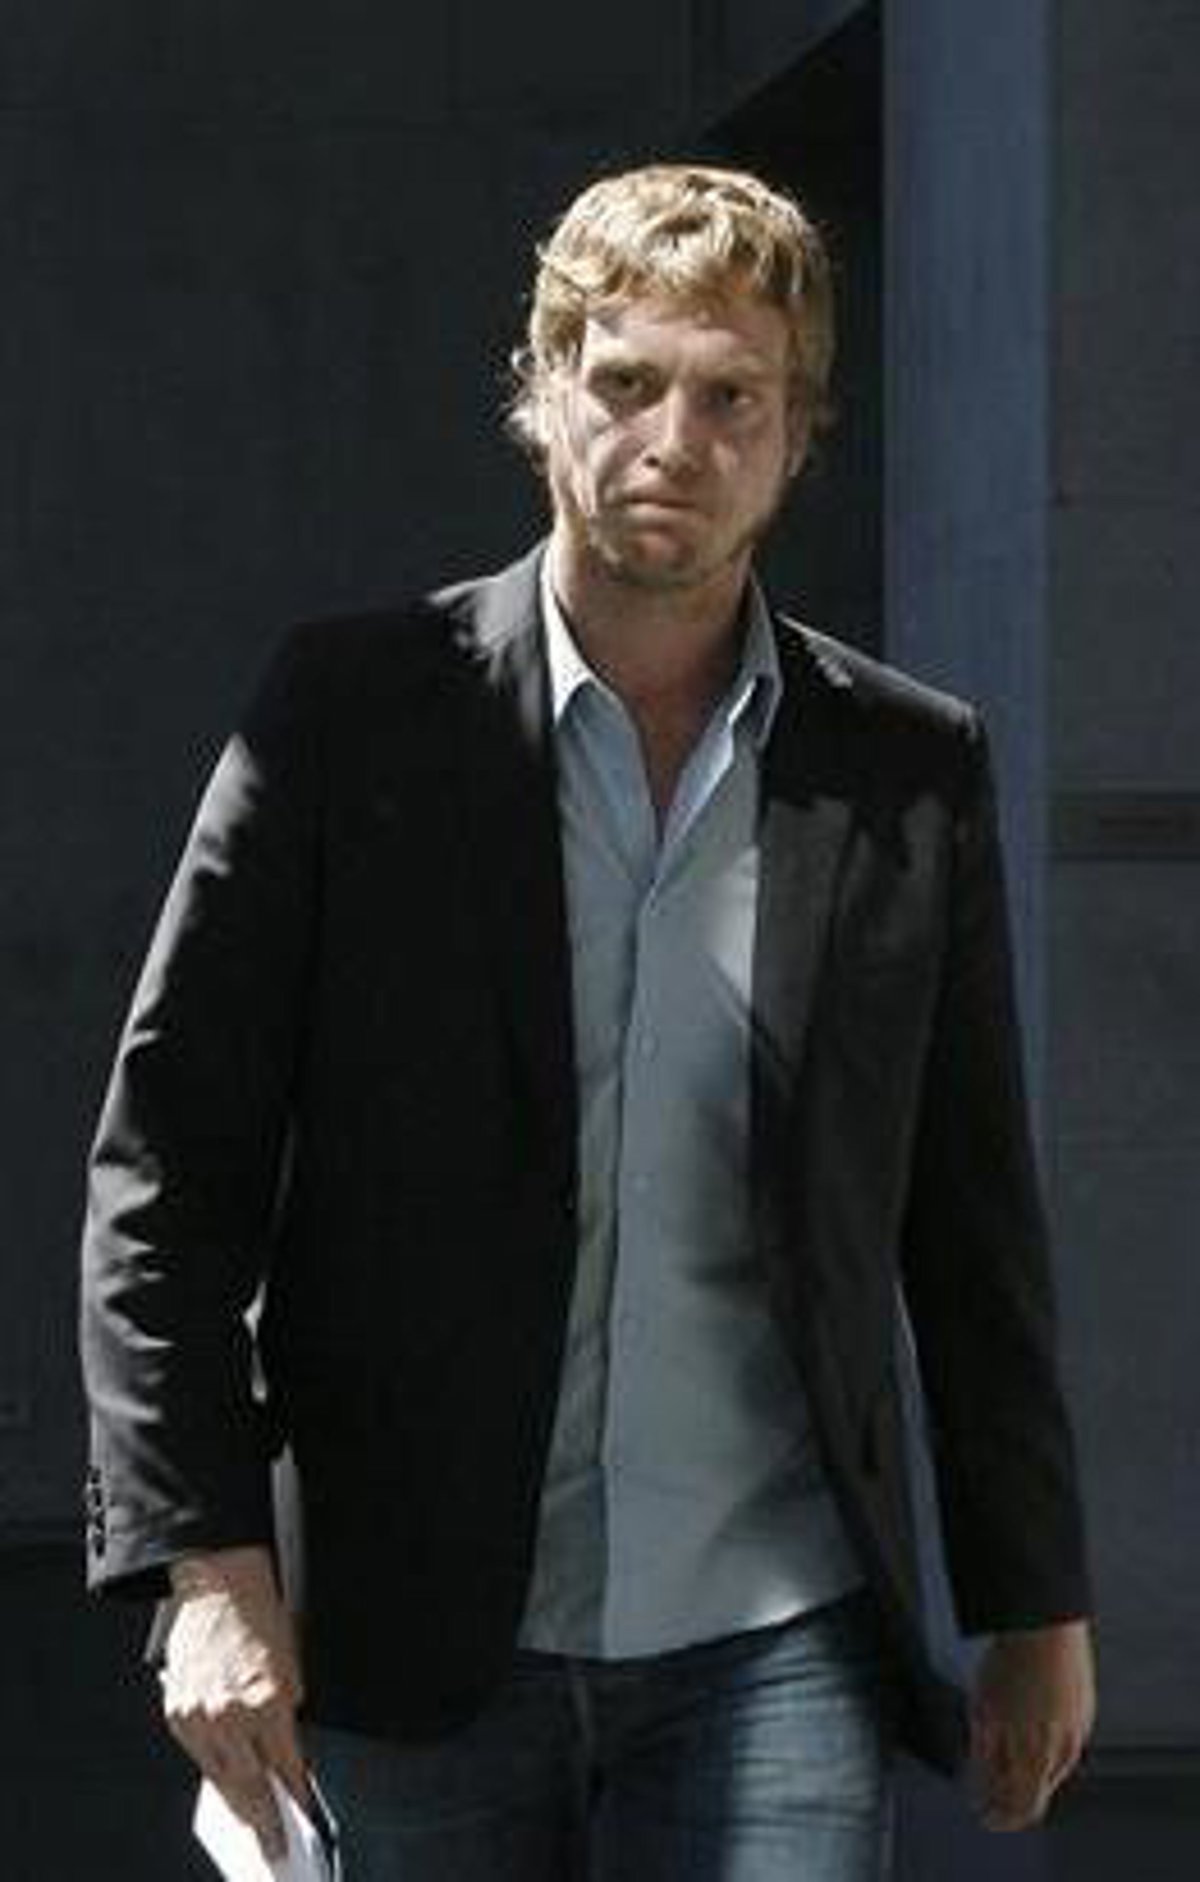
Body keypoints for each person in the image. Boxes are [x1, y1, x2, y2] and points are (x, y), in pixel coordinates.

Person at [80, 163, 1095, 1882]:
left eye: (732, 397)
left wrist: (1034, 1597)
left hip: (776, 1623)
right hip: (412, 1619)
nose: (673, 439)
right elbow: (168, 1174)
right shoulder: (349, 718)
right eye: (627, 380)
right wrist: (208, 1564)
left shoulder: (907, 768)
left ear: (798, 436)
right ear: (544, 387)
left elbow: (970, 1209)